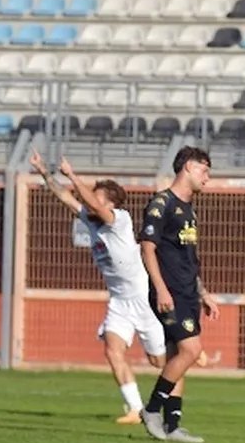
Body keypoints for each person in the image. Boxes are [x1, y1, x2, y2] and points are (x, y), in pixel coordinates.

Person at [29, 151, 166, 425]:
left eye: (98, 196)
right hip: (118, 302)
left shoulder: (120, 219)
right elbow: (65, 196)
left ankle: (186, 355)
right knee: (112, 351)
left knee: (159, 362)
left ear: (112, 202)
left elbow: (93, 204)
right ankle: (135, 409)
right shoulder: (91, 222)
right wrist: (45, 172)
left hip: (143, 299)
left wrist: (72, 175)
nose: (92, 200)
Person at [136, 146, 219, 443]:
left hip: (187, 294)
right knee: (191, 351)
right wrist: (160, 289)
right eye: (204, 170)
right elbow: (147, 247)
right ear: (187, 167)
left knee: (178, 357)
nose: (207, 178)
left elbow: (188, 259)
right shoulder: (162, 204)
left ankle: (172, 425)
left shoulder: (189, 210)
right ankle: (152, 409)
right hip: (169, 293)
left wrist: (203, 293)